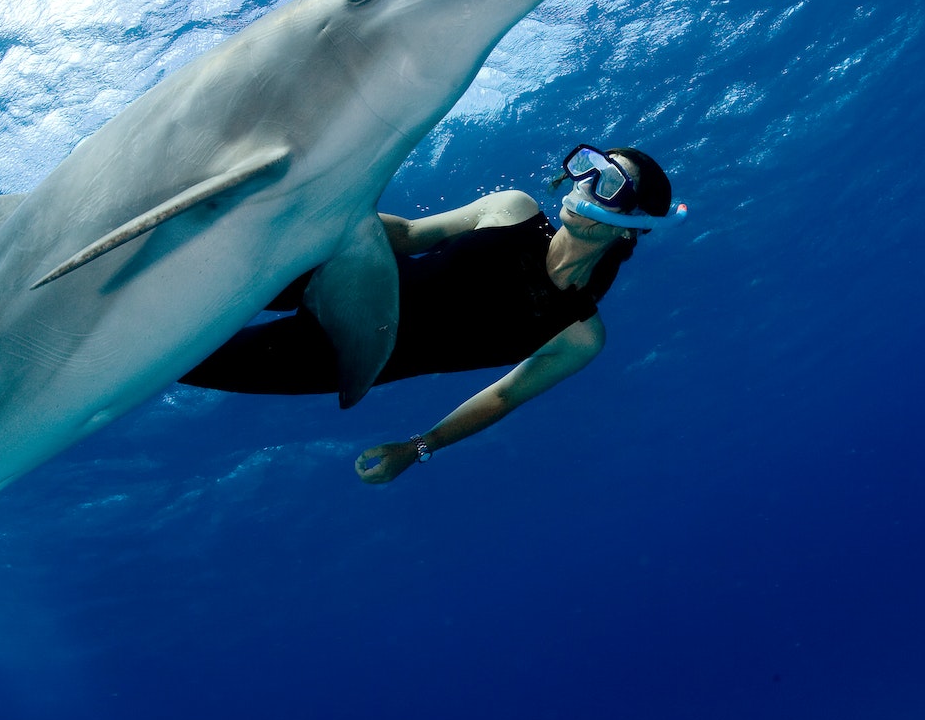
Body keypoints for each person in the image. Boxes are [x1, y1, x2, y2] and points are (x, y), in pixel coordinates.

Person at [180, 145, 685, 483]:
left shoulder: (579, 335)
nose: (585, 186)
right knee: (198, 267)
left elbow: (503, 398)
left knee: (184, 361)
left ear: (632, 226)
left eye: (610, 184)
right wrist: (320, 212)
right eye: (588, 169)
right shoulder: (513, 209)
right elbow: (407, 235)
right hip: (340, 272)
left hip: (340, 359)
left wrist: (417, 449)